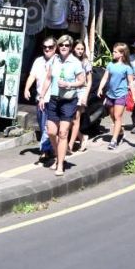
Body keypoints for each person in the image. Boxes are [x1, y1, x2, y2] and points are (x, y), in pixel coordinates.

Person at [46, 36, 87, 176]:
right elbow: (48, 79)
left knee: (63, 133)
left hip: (68, 101)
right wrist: (41, 97)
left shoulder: (75, 62)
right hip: (54, 100)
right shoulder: (54, 59)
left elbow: (82, 81)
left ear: (70, 47)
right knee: (51, 132)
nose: (64, 47)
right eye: (61, 45)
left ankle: (60, 164)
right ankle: (59, 156)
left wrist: (69, 84)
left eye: (67, 45)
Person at [24, 36, 58, 162]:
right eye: (45, 47)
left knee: (47, 127)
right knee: (42, 125)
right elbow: (32, 76)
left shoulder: (59, 61)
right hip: (40, 98)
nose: (47, 49)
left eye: (50, 47)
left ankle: (44, 150)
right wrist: (26, 88)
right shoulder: (38, 61)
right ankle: (51, 148)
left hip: (53, 99)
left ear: (55, 48)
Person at [97, 43, 132, 149]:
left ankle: (114, 140)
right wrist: (100, 88)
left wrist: (133, 95)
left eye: (115, 52)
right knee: (112, 116)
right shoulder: (110, 65)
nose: (113, 53)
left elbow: (131, 82)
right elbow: (105, 78)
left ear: (122, 54)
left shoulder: (127, 67)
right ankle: (120, 132)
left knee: (117, 116)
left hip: (121, 94)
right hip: (110, 95)